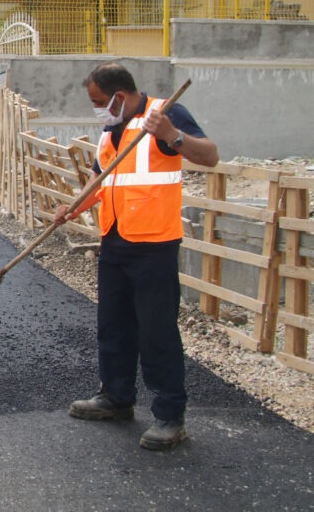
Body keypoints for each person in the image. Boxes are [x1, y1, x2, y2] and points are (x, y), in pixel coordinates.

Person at [53, 62, 219, 451]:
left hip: (154, 246)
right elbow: (102, 176)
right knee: (113, 324)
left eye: (98, 101)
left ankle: (169, 416)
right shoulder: (112, 129)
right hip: (114, 240)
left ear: (119, 96)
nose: (96, 108)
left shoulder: (165, 114)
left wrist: (172, 136)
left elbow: (209, 156)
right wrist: (74, 206)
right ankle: (116, 397)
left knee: (156, 331)